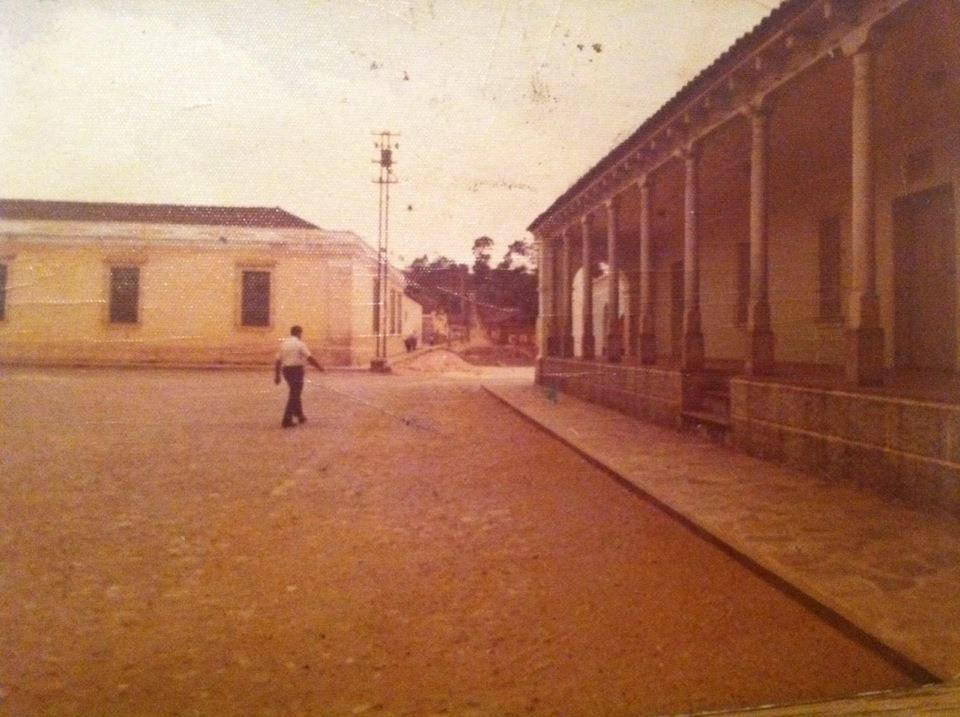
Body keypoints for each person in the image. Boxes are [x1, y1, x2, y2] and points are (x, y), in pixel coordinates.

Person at [274, 325, 324, 428]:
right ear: (299, 333)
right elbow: (309, 358)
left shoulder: (283, 344)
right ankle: (287, 419)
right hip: (296, 370)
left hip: (286, 370)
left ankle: (300, 415)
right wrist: (319, 367)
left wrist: (277, 376)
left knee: (294, 392)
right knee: (295, 394)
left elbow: (278, 361)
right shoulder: (300, 344)